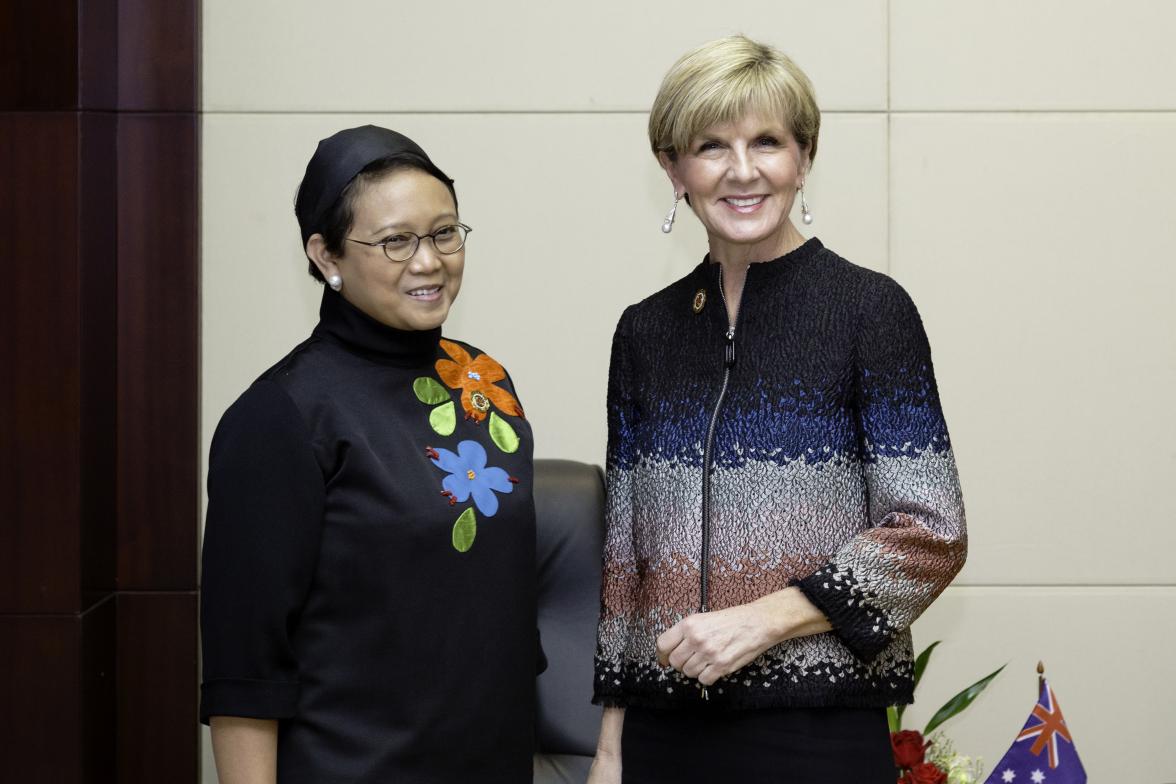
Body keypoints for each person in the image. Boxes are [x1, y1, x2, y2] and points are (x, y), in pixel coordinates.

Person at [588, 36, 966, 783]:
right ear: (673, 167)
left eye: (767, 142)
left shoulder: (867, 311)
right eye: (711, 146)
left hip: (816, 732)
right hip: (663, 736)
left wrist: (762, 620)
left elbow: (930, 533)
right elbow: (626, 564)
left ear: (804, 156)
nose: (742, 170)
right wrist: (609, 750)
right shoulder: (646, 331)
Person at [200, 125, 539, 783]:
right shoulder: (280, 417)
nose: (428, 261)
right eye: (395, 241)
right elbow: (245, 672)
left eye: (444, 233)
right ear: (326, 255)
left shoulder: (485, 384)